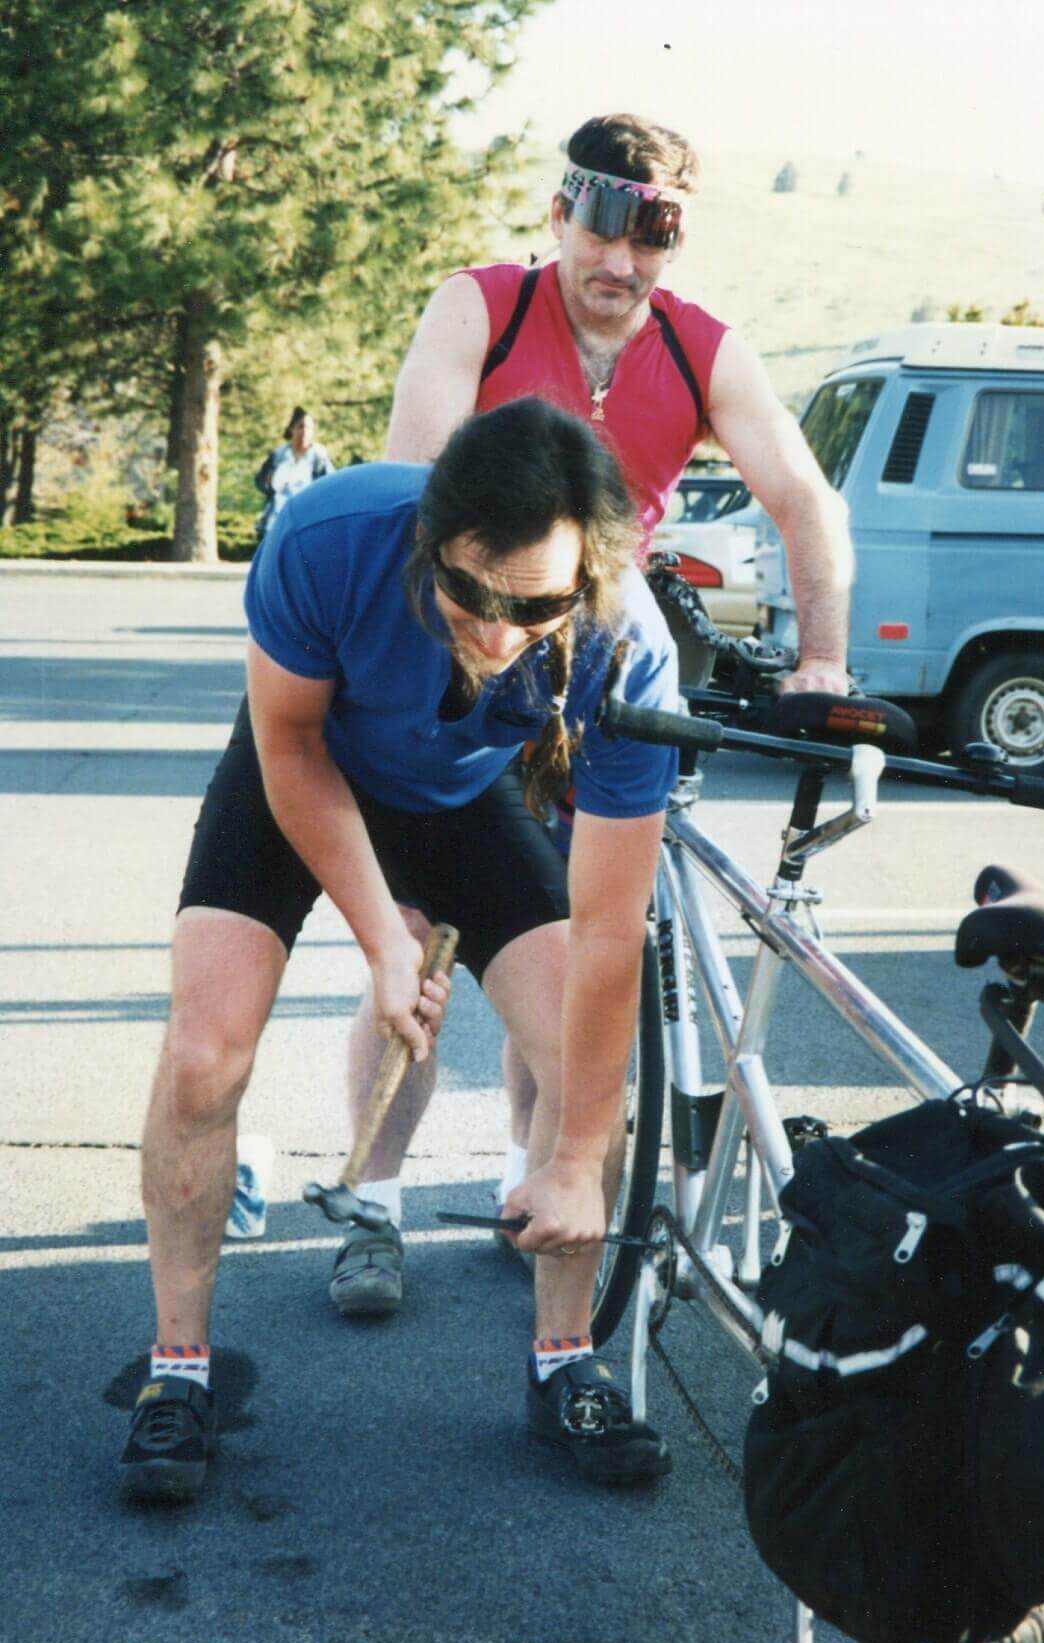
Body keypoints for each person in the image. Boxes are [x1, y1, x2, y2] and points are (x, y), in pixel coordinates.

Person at [327, 112, 854, 1296]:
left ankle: (536, 1185)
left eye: (653, 232)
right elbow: (415, 476)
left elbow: (804, 500)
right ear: (557, 215)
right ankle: (371, 1202)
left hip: (594, 683)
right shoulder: (484, 306)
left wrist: (820, 661)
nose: (620, 260)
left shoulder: (702, 347)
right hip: (460, 657)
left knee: (565, 958)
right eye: (601, 224)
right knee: (413, 946)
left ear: (674, 239)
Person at [120, 398, 679, 1503]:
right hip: (308, 767)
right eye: (468, 592)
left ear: (587, 579)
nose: (495, 632)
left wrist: (569, 1158)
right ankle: (176, 1369)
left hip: (460, 799)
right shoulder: (328, 536)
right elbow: (283, 739)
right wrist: (384, 936)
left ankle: (563, 1359)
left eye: (535, 607)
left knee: (583, 1059)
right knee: (203, 1054)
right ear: (428, 536)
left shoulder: (626, 648)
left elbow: (613, 926)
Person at [254, 407, 336, 538]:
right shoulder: (278, 455)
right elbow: (260, 480)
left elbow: (331, 488)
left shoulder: (319, 458)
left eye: (309, 428)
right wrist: (268, 485)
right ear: (291, 428)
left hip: (305, 524)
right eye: (300, 426)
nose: (304, 432)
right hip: (274, 524)